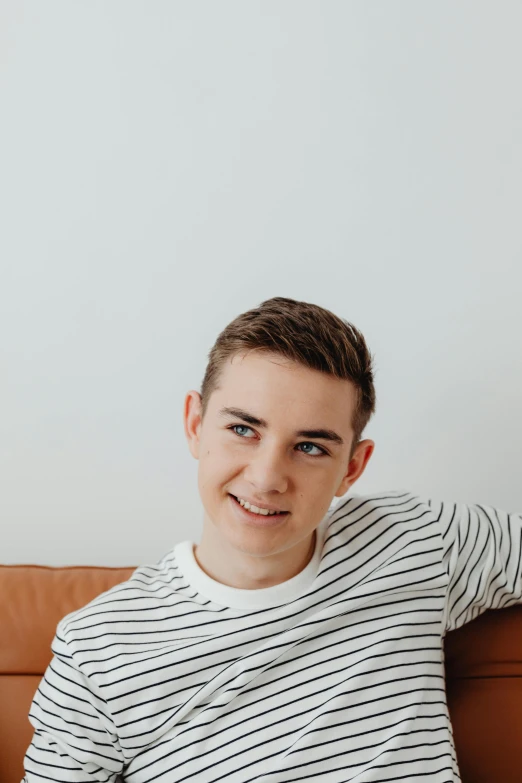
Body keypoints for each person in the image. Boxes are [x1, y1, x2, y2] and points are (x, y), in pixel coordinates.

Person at [22, 296, 521, 782]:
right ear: (196, 425)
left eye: (309, 447)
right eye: (243, 429)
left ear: (352, 467)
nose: (266, 478)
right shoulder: (98, 647)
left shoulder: (416, 539)